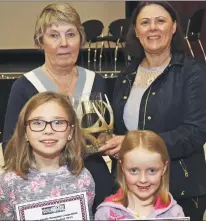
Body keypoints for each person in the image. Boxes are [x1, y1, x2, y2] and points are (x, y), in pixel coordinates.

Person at [99, 1, 206, 221]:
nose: (153, 28)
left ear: (174, 27)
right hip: (130, 191)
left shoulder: (193, 72)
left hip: (179, 188)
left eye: (160, 21)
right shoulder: (126, 75)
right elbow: (120, 129)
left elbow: (196, 132)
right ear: (136, 31)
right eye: (145, 22)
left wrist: (133, 142)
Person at [2, 3, 113, 213]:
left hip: (96, 185)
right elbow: (10, 146)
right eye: (54, 35)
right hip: (45, 194)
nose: (64, 43)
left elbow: (106, 134)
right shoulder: (25, 86)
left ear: (81, 39)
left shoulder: (96, 82)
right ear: (40, 41)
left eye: (71, 34)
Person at [0, 91, 95, 220]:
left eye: (58, 122)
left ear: (70, 131)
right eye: (37, 123)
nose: (48, 130)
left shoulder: (83, 178)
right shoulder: (9, 183)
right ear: (25, 132)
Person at [95, 130, 185, 220]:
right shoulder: (105, 213)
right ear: (122, 167)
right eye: (134, 170)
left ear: (164, 168)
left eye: (152, 170)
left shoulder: (175, 213)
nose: (143, 179)